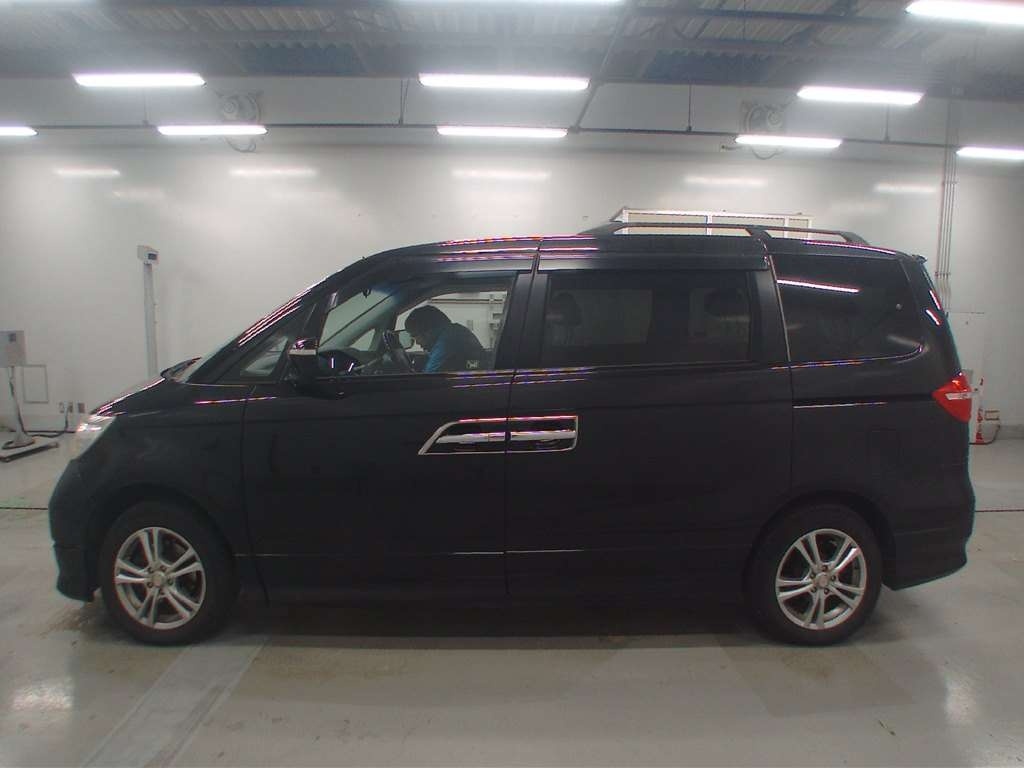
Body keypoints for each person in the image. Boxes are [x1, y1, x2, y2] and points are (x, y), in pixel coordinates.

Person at [404, 305, 486, 373]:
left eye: (415, 336)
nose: (417, 342)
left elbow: (428, 377)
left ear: (427, 332)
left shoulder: (447, 342)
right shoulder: (454, 331)